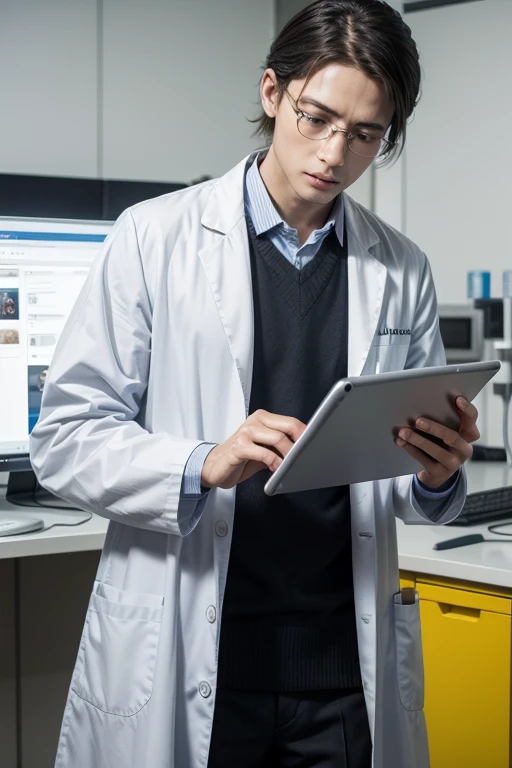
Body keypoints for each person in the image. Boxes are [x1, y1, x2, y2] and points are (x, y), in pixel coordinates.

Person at [30, 1, 479, 766]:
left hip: (342, 668)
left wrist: (436, 472)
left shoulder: (399, 268)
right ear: (273, 93)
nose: (334, 153)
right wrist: (200, 461)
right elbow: (65, 439)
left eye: (365, 134)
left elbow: (396, 479)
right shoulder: (155, 237)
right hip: (196, 649)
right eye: (317, 117)